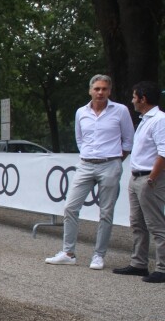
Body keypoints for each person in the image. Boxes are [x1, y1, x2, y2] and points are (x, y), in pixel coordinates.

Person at [45, 74, 134, 270]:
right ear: (90, 91)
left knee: (106, 212)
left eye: (104, 89)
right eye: (97, 89)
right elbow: (80, 138)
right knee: (70, 207)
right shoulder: (81, 112)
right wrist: (88, 154)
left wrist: (116, 160)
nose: (100, 92)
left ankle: (99, 255)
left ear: (109, 91)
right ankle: (68, 253)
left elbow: (128, 140)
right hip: (85, 164)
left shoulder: (120, 111)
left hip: (110, 164)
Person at [112, 81, 165, 283]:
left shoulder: (159, 120)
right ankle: (138, 263)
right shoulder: (145, 120)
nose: (132, 100)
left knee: (156, 224)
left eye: (135, 97)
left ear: (143, 99)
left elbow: (163, 152)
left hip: (149, 178)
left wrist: (152, 178)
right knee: (137, 223)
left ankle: (162, 267)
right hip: (137, 177)